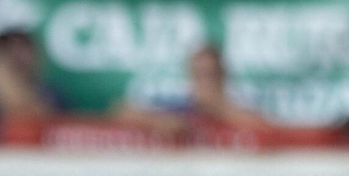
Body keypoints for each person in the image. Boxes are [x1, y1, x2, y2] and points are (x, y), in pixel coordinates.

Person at [112, 44, 271, 139]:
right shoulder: (181, 105)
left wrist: (216, 108)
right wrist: (157, 122)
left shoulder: (238, 106)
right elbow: (121, 110)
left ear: (223, 75)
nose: (204, 82)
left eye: (210, 74)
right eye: (198, 74)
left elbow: (266, 128)